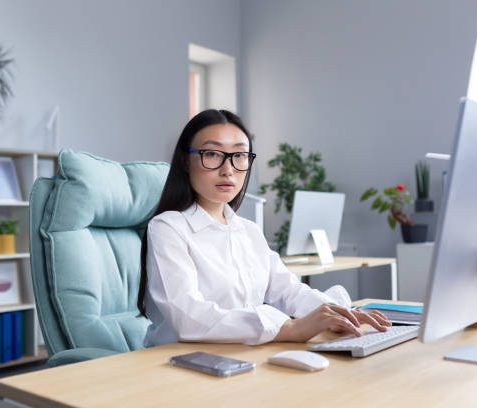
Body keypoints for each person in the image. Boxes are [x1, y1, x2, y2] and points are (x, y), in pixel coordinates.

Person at [137, 109, 390, 347]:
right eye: (213, 154)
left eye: (239, 156)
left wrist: (335, 314)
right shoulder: (168, 227)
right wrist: (287, 329)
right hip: (178, 364)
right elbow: (189, 318)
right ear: (185, 161)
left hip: (242, 355)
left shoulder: (248, 231)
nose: (228, 170)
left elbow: (288, 291)